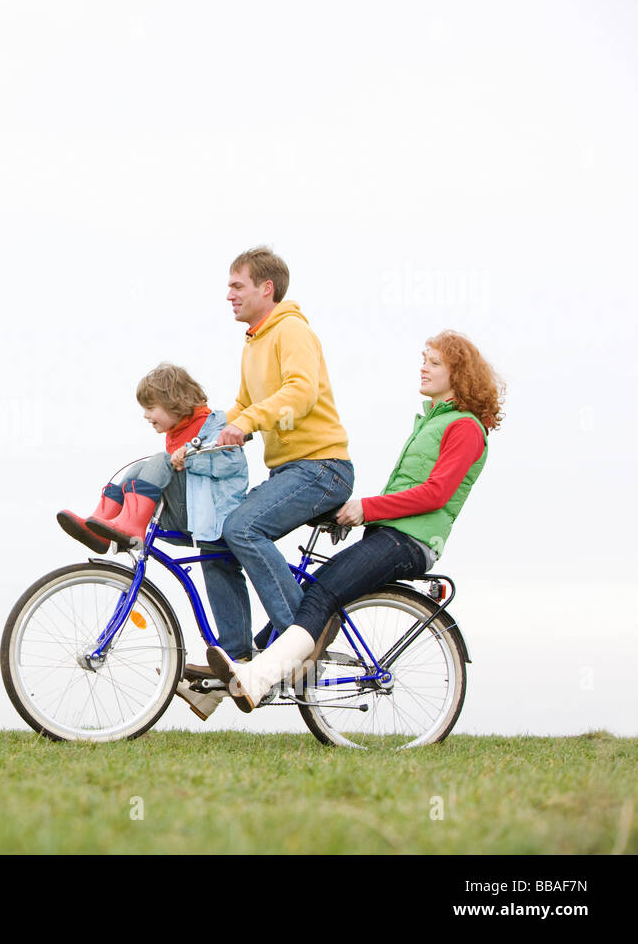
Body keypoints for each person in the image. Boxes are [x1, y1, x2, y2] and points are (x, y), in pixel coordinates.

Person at [206, 330, 504, 711]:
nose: (423, 368)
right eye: (424, 360)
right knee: (313, 590)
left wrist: (367, 508)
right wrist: (362, 516)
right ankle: (226, 683)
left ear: (458, 374)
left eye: (434, 363)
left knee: (320, 594)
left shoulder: (463, 427)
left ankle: (259, 677)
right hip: (393, 534)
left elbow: (436, 494)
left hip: (411, 541)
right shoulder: (433, 422)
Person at [191, 247, 354, 688]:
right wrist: (197, 439)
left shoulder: (292, 331)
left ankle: (303, 641)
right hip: (291, 472)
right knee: (216, 536)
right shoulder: (254, 342)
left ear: (267, 288)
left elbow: (300, 392)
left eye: (237, 285)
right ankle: (237, 652)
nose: (229, 294)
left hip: (323, 467)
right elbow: (243, 404)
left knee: (243, 528)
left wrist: (248, 423)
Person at [57, 363, 247, 557]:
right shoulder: (176, 432)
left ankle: (131, 524)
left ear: (174, 402)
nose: (145, 415)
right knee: (140, 467)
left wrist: (188, 460)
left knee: (160, 460)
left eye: (150, 408)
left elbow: (230, 464)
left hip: (206, 516)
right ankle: (101, 523)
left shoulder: (212, 426)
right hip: (186, 510)